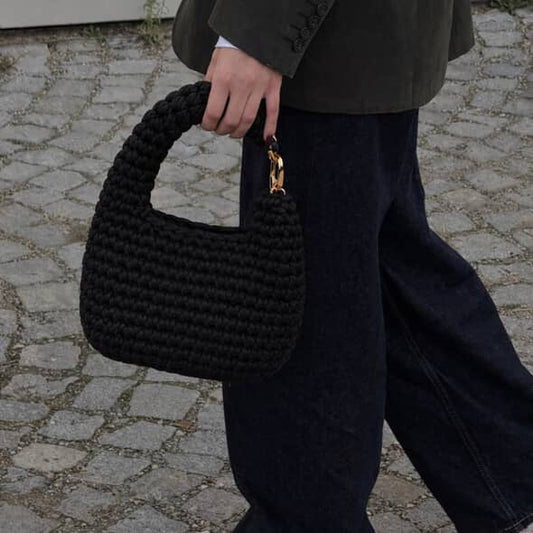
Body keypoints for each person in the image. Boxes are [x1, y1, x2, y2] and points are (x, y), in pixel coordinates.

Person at [170, 1, 533, 532]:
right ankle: (517, 474)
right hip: (359, 31)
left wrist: (258, 33)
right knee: (385, 270)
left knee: (304, 313)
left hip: (327, 40)